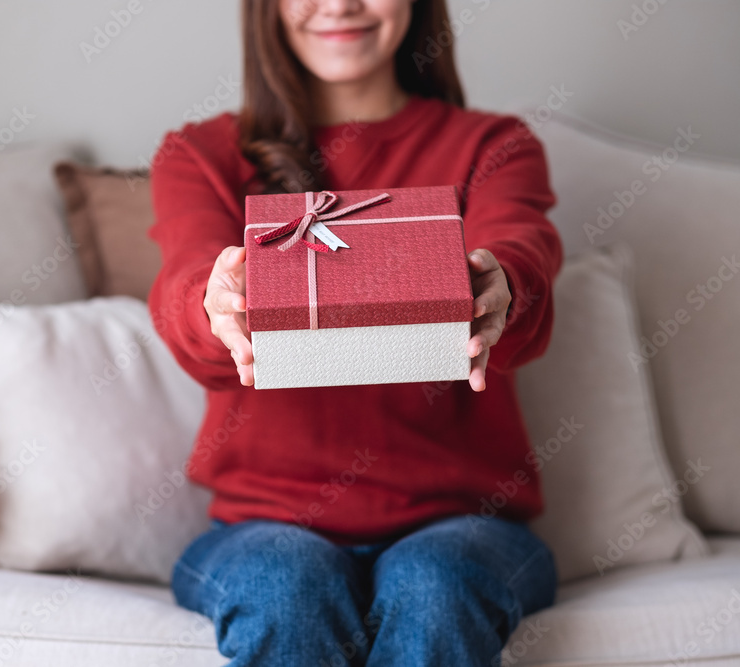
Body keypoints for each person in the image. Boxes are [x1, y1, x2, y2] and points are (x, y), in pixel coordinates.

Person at [146, 0, 563, 664]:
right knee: (286, 585)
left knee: (435, 583)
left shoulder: (494, 145)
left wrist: (503, 288)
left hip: (465, 524)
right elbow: (187, 289)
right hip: (265, 525)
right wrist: (212, 305)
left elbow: (521, 250)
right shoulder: (201, 155)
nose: (339, 4)